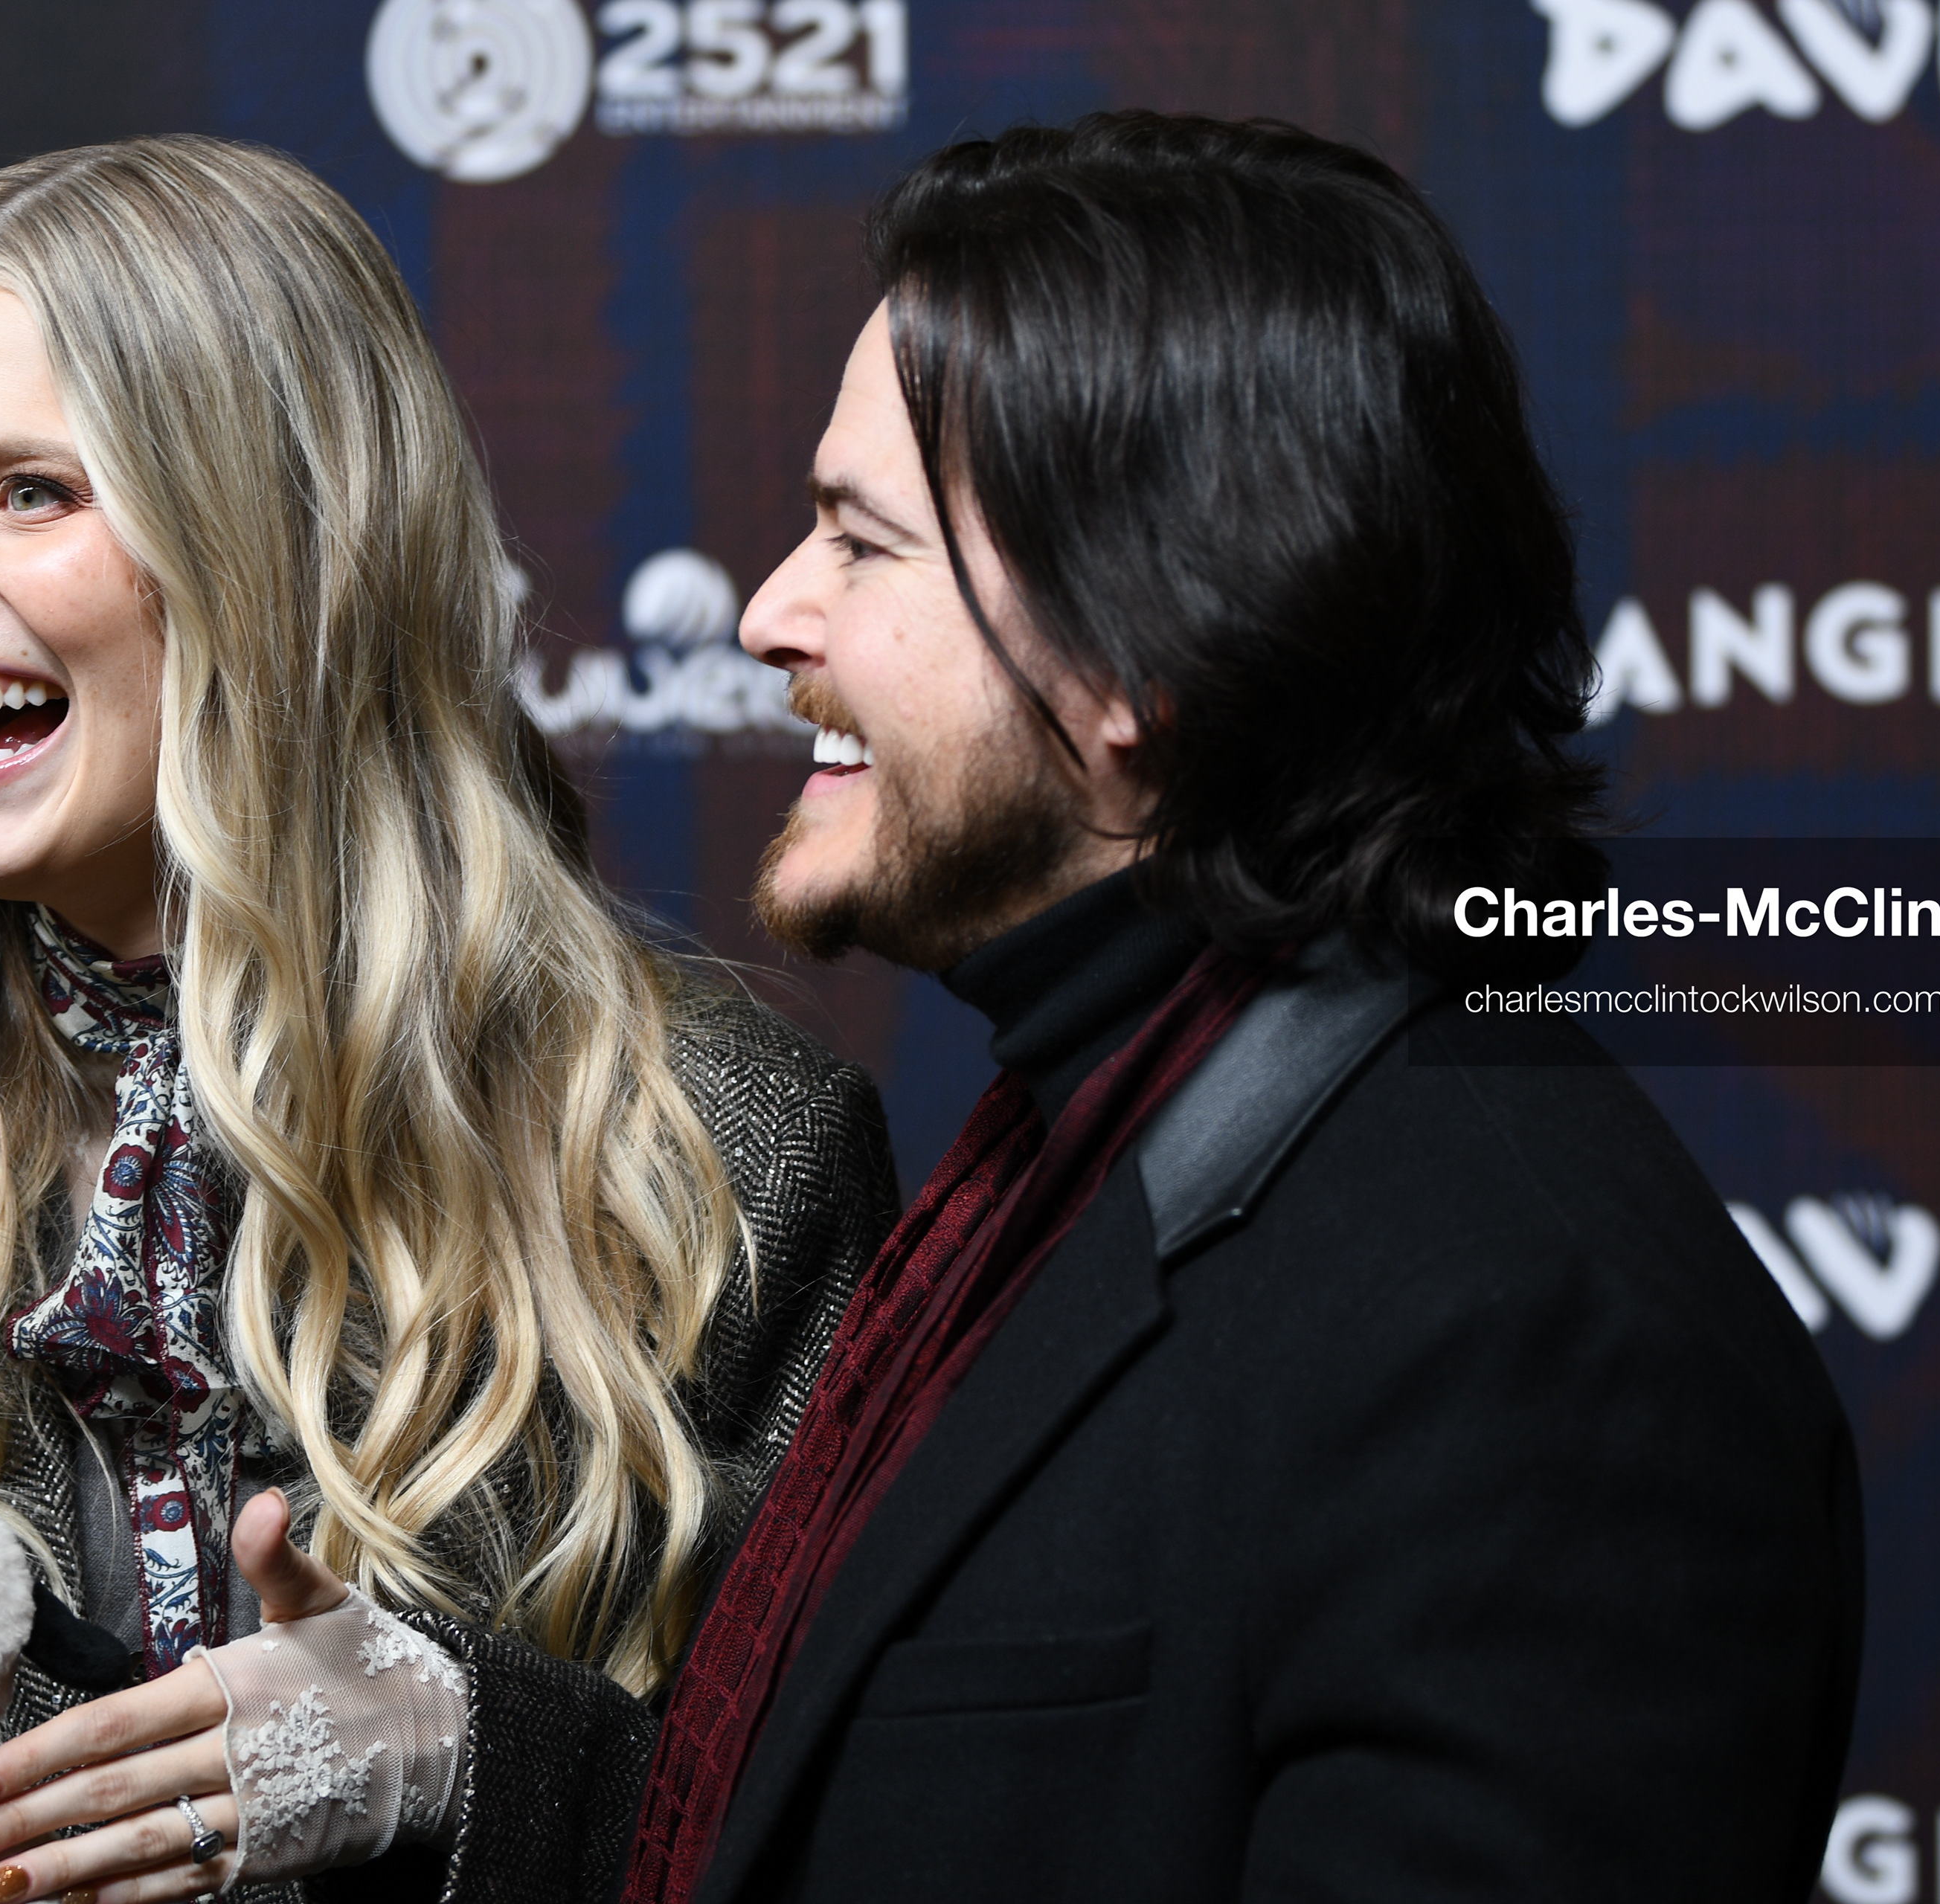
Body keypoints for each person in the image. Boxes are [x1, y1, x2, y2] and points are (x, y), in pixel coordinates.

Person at [0, 137, 896, 1904]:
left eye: (30, 489)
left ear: (286, 546)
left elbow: (863, 1833)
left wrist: (472, 1756)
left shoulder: (713, 1146)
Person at [617, 113, 1865, 1903]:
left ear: (1146, 643)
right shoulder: (1060, 1170)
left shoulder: (1526, 1335)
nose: (765, 611)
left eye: (860, 542)